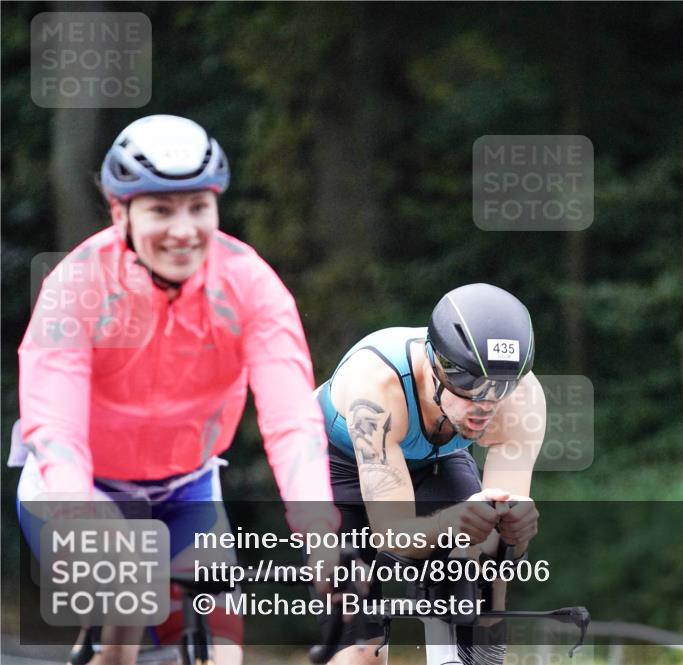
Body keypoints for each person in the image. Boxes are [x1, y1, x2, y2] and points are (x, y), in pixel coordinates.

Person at [12, 114, 341, 665]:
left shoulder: (251, 285)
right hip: (79, 489)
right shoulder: (78, 284)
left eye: (198, 207)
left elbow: (291, 423)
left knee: (223, 651)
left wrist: (318, 528)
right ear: (121, 213)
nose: (184, 230)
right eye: (161, 210)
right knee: (126, 605)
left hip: (186, 489)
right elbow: (55, 421)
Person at [314, 283, 545, 665]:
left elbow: (504, 549)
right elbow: (391, 535)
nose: (485, 405)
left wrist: (515, 532)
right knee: (360, 647)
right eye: (470, 385)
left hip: (434, 459)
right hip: (338, 461)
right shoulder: (376, 386)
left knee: (484, 564)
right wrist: (450, 523)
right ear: (436, 365)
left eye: (501, 388)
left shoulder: (522, 397)